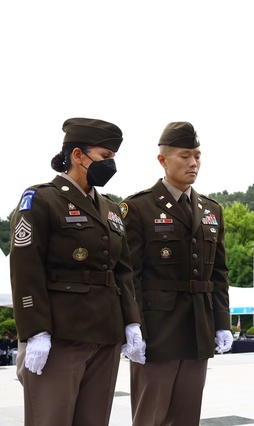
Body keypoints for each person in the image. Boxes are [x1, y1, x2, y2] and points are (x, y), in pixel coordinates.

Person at [9, 117, 145, 426]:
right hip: (61, 334)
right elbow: (25, 267)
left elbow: (122, 272)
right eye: (104, 157)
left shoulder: (110, 208)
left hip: (106, 335)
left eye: (113, 158)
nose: (110, 165)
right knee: (51, 419)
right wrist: (35, 331)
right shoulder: (41, 199)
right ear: (78, 156)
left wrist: (132, 323)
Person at [119, 121, 233, 426]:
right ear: (163, 160)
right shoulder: (138, 207)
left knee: (187, 417)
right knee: (151, 416)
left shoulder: (211, 210)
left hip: (198, 328)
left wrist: (222, 323)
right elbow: (129, 275)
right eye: (185, 156)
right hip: (157, 331)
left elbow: (219, 274)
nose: (193, 163)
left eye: (197, 155)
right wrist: (133, 326)